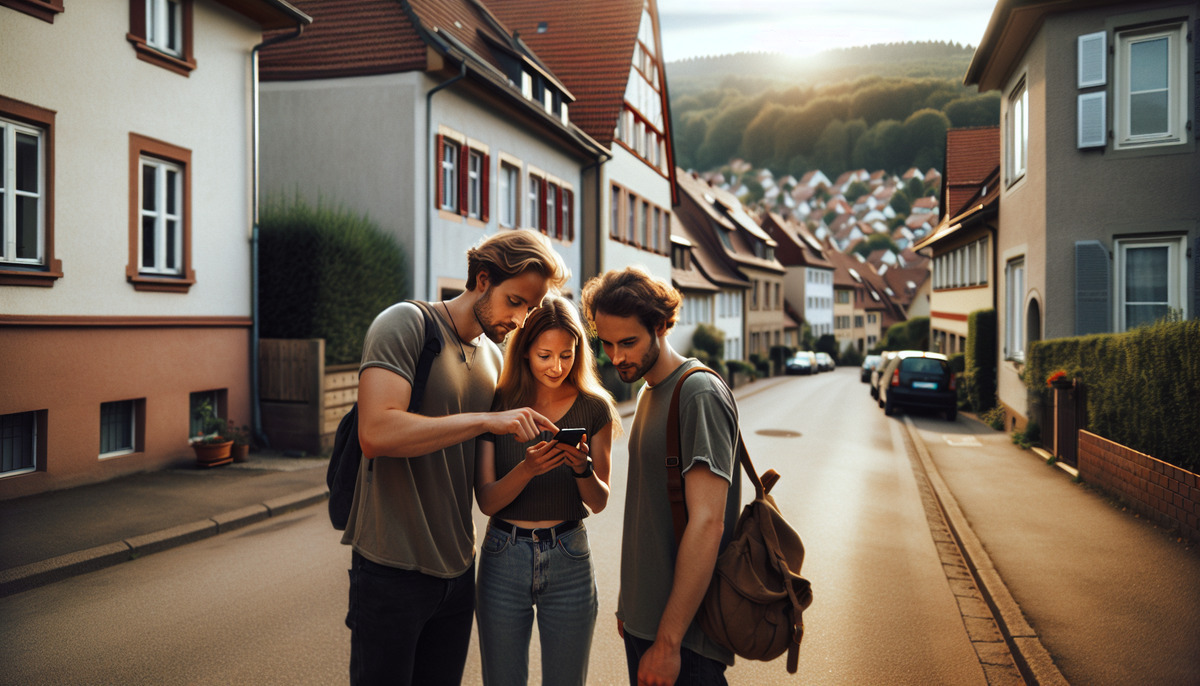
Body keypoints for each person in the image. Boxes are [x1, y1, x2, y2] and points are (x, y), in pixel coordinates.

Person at [345, 228, 569, 686]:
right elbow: (376, 431)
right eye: (516, 301)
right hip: (391, 568)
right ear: (483, 279)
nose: (521, 319)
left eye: (529, 308)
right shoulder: (405, 324)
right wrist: (484, 421)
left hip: (459, 572)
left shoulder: (492, 358)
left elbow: (485, 485)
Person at [580, 266, 742, 686]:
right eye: (608, 343)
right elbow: (647, 514)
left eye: (628, 342)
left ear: (659, 325)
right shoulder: (651, 391)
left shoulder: (697, 393)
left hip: (685, 640)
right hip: (646, 624)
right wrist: (632, 607)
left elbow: (708, 524)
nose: (616, 358)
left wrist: (668, 642)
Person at [473, 295, 621, 685]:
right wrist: (527, 469)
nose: (557, 367)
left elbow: (600, 500)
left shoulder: (595, 408)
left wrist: (582, 468)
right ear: (524, 353)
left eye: (567, 355)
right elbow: (487, 500)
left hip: (568, 554)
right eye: (545, 356)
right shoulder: (499, 403)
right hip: (503, 555)